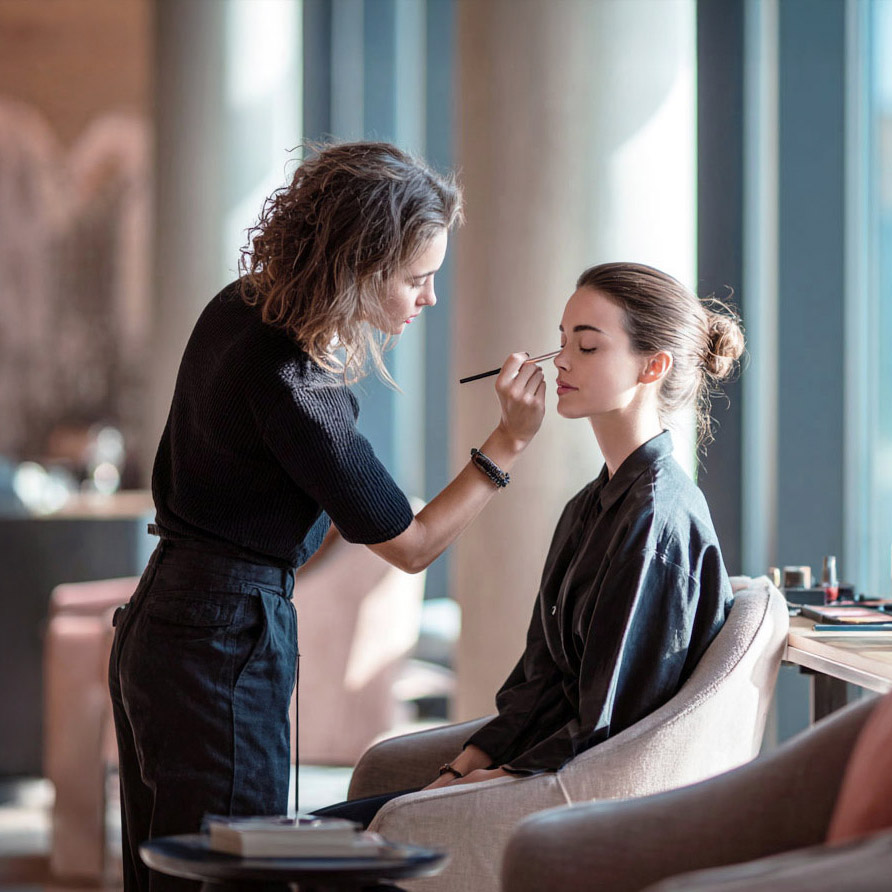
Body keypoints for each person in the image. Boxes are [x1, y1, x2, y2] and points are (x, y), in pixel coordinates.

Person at [107, 141, 546, 891]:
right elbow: (411, 547)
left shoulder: (240, 304)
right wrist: (507, 443)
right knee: (235, 878)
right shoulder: (297, 382)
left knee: (171, 877)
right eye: (419, 279)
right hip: (221, 641)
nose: (429, 299)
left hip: (164, 619)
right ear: (363, 264)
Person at [313, 260, 745, 826]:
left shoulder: (657, 522)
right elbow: (542, 678)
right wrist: (470, 760)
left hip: (571, 802)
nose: (561, 360)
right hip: (534, 775)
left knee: (311, 843)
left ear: (653, 367)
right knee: (308, 833)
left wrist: (502, 779)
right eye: (561, 341)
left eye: (588, 347)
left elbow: (613, 728)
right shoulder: (590, 505)